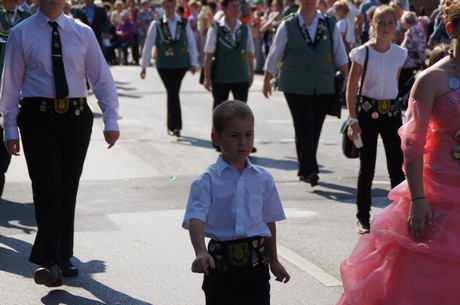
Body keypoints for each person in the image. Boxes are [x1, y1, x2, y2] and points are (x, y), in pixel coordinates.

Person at [337, 0, 460, 303]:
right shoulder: (430, 79)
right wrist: (418, 199)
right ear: (451, 29)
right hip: (437, 191)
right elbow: (413, 144)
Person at [0, 0, 120, 287]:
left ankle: (63, 256)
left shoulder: (83, 32)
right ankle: (49, 261)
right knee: (47, 187)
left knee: (68, 187)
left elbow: (101, 77)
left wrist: (111, 119)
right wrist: (9, 127)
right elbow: (11, 84)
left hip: (76, 117)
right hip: (38, 118)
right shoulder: (21, 33)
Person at [182, 100, 290, 305]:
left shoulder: (263, 178)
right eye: (234, 136)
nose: (243, 142)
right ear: (216, 138)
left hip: (256, 268)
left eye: (248, 135)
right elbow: (196, 218)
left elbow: (268, 222)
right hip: (220, 268)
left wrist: (274, 260)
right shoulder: (206, 180)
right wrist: (200, 251)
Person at [263, 0, 349, 186]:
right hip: (295, 85)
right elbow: (275, 53)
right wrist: (267, 79)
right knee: (305, 123)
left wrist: (347, 75)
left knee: (314, 127)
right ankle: (310, 169)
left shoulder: (329, 23)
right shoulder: (288, 24)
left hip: (323, 84)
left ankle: (305, 168)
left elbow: (339, 52)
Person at [346, 5, 406, 234]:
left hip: (390, 114)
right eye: (380, 22)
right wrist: (352, 120)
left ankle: (398, 217)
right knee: (367, 168)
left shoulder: (399, 53)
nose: (385, 27)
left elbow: (394, 84)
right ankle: (363, 217)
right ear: (373, 25)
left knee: (396, 167)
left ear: (396, 25)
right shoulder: (363, 52)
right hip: (367, 114)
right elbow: (351, 89)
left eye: (390, 22)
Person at [140, 0, 198, 137]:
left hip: (181, 64)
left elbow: (191, 43)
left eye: (172, 6)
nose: (170, 9)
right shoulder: (157, 24)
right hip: (164, 64)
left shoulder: (183, 23)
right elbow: (148, 45)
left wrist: (194, 62)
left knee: (174, 92)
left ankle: (174, 125)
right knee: (173, 91)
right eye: (167, 6)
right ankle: (175, 126)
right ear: (163, 7)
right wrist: (144, 66)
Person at [203, 0, 255, 151]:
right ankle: (219, 140)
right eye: (233, 6)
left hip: (240, 76)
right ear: (224, 8)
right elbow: (208, 54)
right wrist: (207, 77)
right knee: (220, 109)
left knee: (242, 111)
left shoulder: (244, 28)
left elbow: (251, 53)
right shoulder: (216, 28)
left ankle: (244, 143)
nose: (236, 9)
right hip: (221, 76)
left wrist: (251, 74)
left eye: (238, 6)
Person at [398, 10, 426, 103]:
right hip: (418, 59)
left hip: (411, 60)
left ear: (407, 22)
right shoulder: (419, 28)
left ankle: (402, 96)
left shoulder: (411, 30)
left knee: (399, 70)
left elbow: (405, 46)